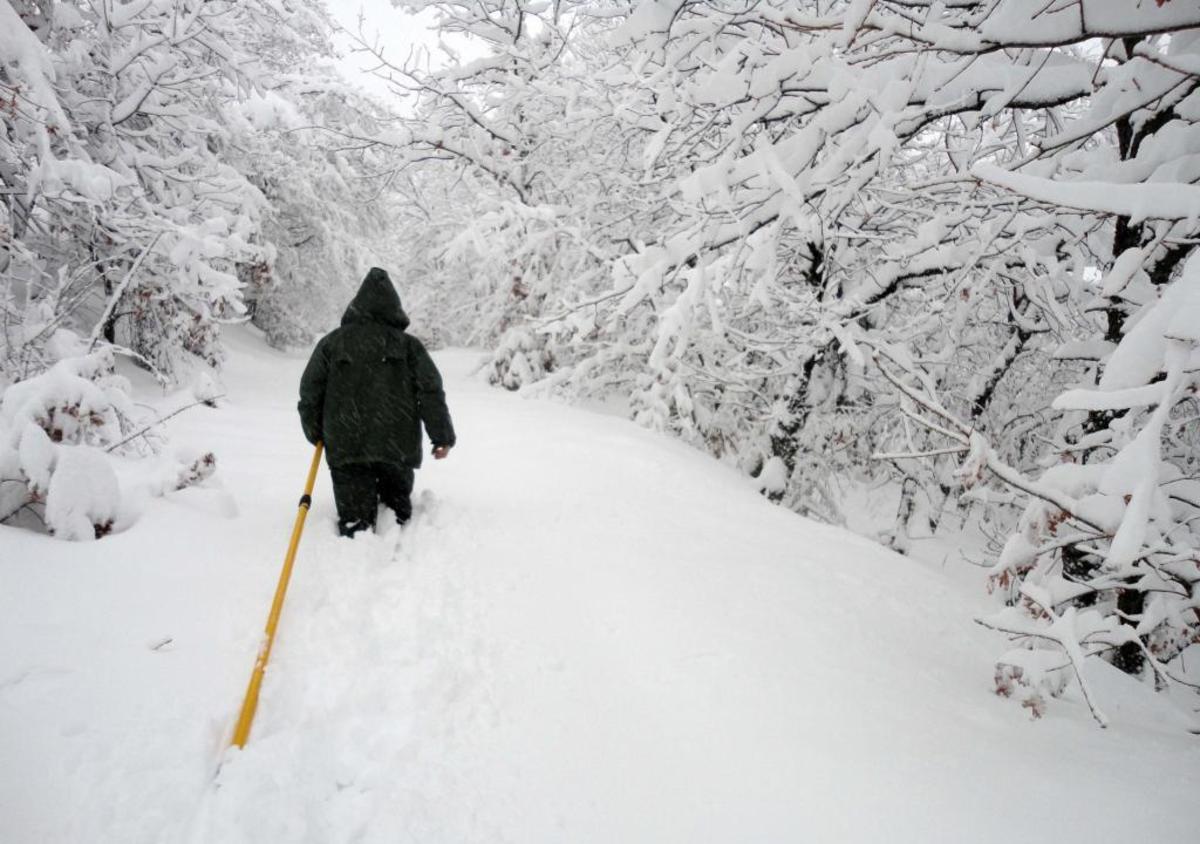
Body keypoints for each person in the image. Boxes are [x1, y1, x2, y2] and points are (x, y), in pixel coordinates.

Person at [298, 267, 455, 537]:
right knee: (396, 515)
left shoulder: (332, 344)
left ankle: (356, 550)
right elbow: (431, 392)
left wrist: (317, 432)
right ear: (394, 308)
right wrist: (441, 436)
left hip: (347, 447)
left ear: (356, 306)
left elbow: (310, 393)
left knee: (355, 522)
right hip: (397, 447)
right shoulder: (408, 346)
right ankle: (394, 547)